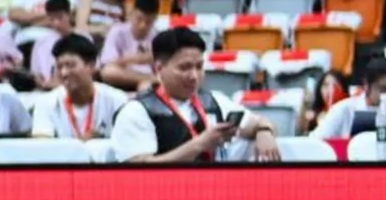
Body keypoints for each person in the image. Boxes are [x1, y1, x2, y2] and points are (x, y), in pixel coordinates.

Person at [111, 26, 283, 162]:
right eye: (184, 67)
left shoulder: (214, 100)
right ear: (159, 68)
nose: (194, 76)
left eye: (199, 67)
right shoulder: (137, 111)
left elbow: (259, 122)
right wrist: (200, 144)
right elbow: (140, 169)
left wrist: (264, 132)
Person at [29, 34, 127, 143]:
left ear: (91, 66)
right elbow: (42, 147)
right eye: (59, 67)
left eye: (70, 65)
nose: (64, 72)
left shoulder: (117, 100)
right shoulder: (46, 103)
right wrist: (82, 143)